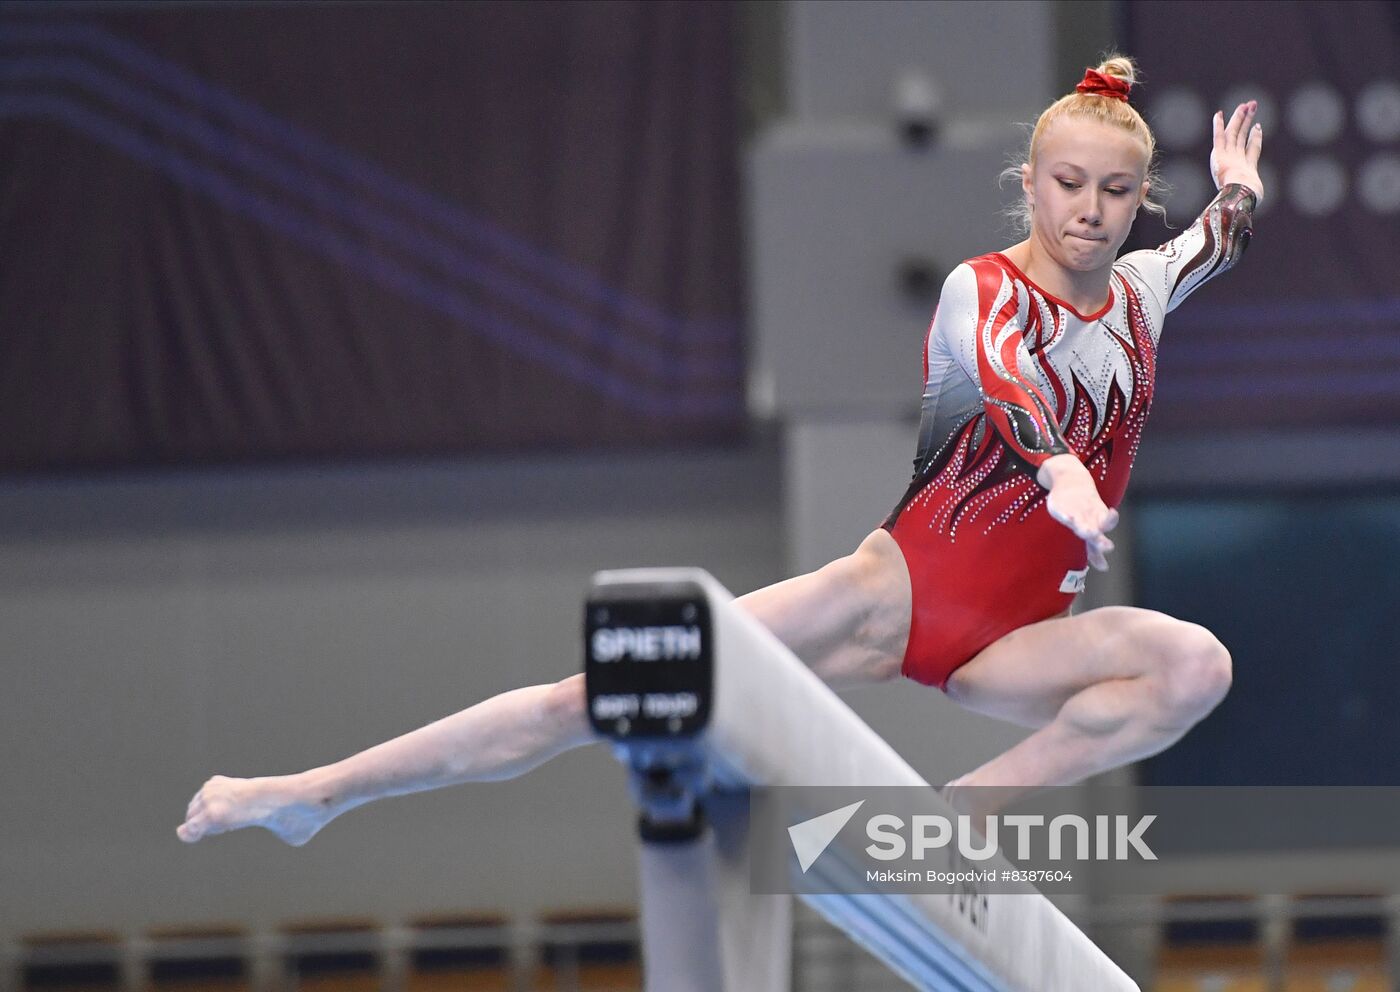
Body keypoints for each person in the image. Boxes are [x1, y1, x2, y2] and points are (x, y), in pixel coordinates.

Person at [177, 56, 1264, 846]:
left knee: (1193, 665)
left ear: (1138, 199)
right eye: (1067, 184)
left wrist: (1239, 194)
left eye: (1116, 192)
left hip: (1017, 641)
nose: (1090, 211)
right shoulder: (977, 288)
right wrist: (1062, 472)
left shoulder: (1140, 292)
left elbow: (1214, 242)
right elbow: (1007, 376)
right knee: (588, 699)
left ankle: (953, 819)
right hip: (886, 597)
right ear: (1026, 182)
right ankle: (316, 792)